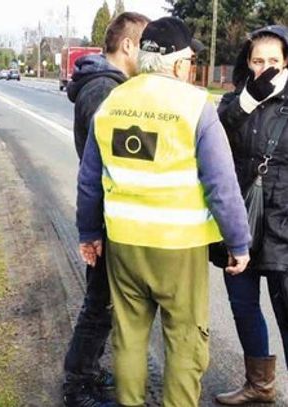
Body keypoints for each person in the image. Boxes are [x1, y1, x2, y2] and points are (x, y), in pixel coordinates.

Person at [77, 17, 251, 407]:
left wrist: (88, 235)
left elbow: (89, 181)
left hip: (124, 246)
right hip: (179, 250)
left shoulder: (112, 103)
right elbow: (221, 186)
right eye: (190, 59)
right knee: (186, 341)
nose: (191, 67)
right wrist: (238, 242)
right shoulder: (194, 107)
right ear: (176, 64)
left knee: (129, 338)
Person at [63, 12, 149, 407]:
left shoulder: (106, 85)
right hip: (107, 212)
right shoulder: (103, 91)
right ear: (129, 45)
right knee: (100, 303)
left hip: (109, 210)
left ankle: (88, 369)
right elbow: (115, 158)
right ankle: (78, 382)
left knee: (105, 301)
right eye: (146, 45)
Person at [214, 25, 288, 405]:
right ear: (248, 61)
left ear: (286, 61)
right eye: (258, 60)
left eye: (274, 61)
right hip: (239, 224)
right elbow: (214, 135)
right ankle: (259, 385)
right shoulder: (233, 102)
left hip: (283, 228)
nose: (266, 68)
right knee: (243, 307)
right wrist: (246, 100)